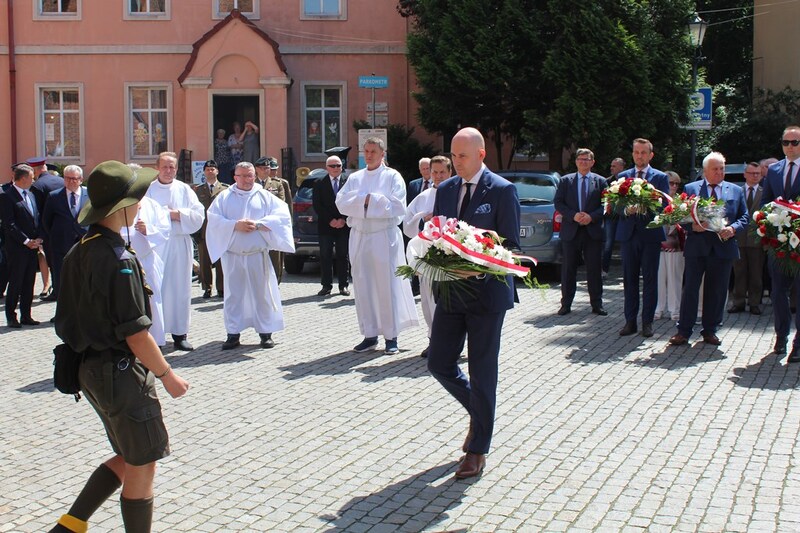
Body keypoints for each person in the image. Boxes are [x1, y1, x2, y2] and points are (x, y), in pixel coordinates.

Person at [50, 160, 189, 533]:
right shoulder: (119, 259)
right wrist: (168, 375)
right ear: (120, 208)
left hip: (90, 371)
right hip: (121, 374)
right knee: (143, 462)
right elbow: (136, 334)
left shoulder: (80, 248)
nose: (141, 203)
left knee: (128, 455)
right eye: (137, 198)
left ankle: (70, 524)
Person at [426, 127, 520, 480]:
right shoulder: (446, 189)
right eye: (452, 155)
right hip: (451, 292)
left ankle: (478, 449)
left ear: (481, 154)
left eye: (462, 156)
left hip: (487, 295)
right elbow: (439, 232)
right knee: (439, 363)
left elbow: (509, 244)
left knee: (483, 372)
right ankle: (481, 414)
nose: (456, 162)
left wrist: (477, 264)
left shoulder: (502, 190)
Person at [335, 137, 418, 355]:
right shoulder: (355, 177)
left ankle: (391, 336)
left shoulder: (392, 176)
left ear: (383, 154)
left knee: (386, 284)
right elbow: (341, 203)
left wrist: (365, 200)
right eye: (366, 151)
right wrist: (372, 200)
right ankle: (369, 334)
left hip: (383, 235)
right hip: (360, 235)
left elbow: (398, 205)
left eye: (373, 151)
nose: (369, 155)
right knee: (362, 284)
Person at [206, 162, 295, 350]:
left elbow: (282, 216)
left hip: (257, 255)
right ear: (235, 177)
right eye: (242, 176)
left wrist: (260, 224)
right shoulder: (224, 197)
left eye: (250, 176)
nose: (247, 180)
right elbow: (213, 219)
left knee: (261, 293)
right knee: (233, 295)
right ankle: (233, 333)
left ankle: (265, 333)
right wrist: (233, 225)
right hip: (233, 255)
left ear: (255, 176)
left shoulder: (264, 195)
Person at [669, 152, 748, 346]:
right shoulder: (691, 188)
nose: (720, 172)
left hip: (723, 248)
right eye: (715, 169)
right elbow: (680, 216)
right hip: (697, 247)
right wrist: (691, 227)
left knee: (718, 291)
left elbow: (745, 217)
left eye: (722, 168)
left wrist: (733, 228)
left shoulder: (736, 191)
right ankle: (684, 330)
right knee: (690, 290)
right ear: (705, 171)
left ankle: (710, 330)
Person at [145, 152, 205, 351]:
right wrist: (164, 218)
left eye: (172, 167)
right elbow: (142, 216)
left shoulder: (185, 190)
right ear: (157, 168)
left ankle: (180, 334)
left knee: (180, 288)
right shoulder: (149, 191)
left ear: (177, 169)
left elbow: (198, 214)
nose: (169, 171)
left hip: (180, 244)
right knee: (158, 288)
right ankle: (157, 334)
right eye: (165, 167)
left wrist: (176, 213)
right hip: (157, 245)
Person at [615, 138, 670, 338]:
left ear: (651, 155)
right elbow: (613, 204)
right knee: (629, 280)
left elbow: (664, 206)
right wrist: (625, 209)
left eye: (643, 152)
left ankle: (647, 322)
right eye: (636, 152)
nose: (639, 156)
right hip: (629, 235)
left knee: (649, 279)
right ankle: (630, 321)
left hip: (650, 235)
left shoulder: (660, 177)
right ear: (632, 154)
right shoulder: (622, 176)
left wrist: (645, 207)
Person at [403, 155, 452, 357]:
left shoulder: (456, 193)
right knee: (428, 299)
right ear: (429, 173)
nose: (438, 176)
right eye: (435, 172)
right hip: (428, 255)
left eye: (442, 172)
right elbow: (407, 223)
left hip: (451, 256)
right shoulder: (423, 196)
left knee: (449, 301)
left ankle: (452, 342)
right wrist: (422, 219)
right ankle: (433, 338)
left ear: (450, 172)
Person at [761, 125, 800, 360]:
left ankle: (799, 343)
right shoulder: (774, 170)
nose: (790, 147)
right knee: (777, 293)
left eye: (794, 142)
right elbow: (765, 201)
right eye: (786, 142)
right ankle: (781, 335)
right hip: (778, 243)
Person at [553, 148, 608, 316]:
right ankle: (566, 304)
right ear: (576, 162)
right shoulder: (565, 181)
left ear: (592, 162)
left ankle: (597, 304)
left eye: (587, 159)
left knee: (594, 269)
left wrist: (591, 217)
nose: (583, 162)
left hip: (592, 231)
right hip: (571, 230)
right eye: (580, 159)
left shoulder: (600, 181)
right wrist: (573, 215)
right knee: (568, 269)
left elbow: (606, 204)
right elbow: (558, 203)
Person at [0, 164, 43, 327]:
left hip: (32, 247)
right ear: (24, 178)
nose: (34, 180)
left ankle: (26, 315)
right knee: (16, 281)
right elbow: (9, 224)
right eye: (32, 177)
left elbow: (35, 218)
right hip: (17, 247)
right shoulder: (7, 196)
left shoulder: (31, 195)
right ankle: (11, 316)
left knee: (29, 282)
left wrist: (38, 238)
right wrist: (26, 241)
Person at [41, 165, 88, 302]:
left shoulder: (89, 195)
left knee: (82, 278)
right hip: (61, 245)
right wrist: (57, 236)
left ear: (81, 179)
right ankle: (61, 314)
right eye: (68, 178)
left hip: (83, 244)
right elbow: (46, 221)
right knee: (61, 280)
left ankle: (82, 313)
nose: (71, 181)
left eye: (74, 178)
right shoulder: (54, 196)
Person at [729, 162, 765, 315]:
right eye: (751, 173)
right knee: (739, 272)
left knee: (756, 274)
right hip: (739, 238)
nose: (754, 176)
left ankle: (754, 303)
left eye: (757, 173)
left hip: (757, 240)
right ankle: (738, 302)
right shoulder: (736, 192)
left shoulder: (765, 192)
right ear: (745, 174)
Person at [313, 155, 350, 296]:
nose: (336, 168)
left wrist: (343, 219)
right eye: (332, 166)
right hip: (326, 226)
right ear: (327, 167)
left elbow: (352, 202)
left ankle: (343, 286)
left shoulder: (349, 182)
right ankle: (326, 286)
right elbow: (317, 205)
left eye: (338, 165)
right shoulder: (319, 182)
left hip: (343, 225)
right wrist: (330, 220)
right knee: (325, 255)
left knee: (343, 255)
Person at [29, 156, 64, 299]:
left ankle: (56, 291)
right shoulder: (61, 181)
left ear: (34, 170)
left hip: (49, 229)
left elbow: (37, 211)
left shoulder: (37, 186)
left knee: (54, 262)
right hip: (65, 227)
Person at [193, 160, 228, 299]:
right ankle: (207, 288)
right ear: (204, 172)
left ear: (217, 171)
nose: (210, 171)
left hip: (220, 231)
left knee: (221, 261)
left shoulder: (225, 189)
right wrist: (196, 231)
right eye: (207, 169)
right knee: (205, 262)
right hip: (204, 231)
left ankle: (222, 288)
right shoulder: (199, 190)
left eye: (212, 169)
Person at [255, 156, 293, 283]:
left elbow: (282, 204)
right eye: (264, 168)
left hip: (272, 226)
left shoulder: (278, 184)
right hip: (256, 226)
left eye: (268, 168)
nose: (267, 170)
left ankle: (275, 282)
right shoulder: (251, 183)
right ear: (257, 169)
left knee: (275, 257)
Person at [654, 171, 685, 322]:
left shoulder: (680, 201)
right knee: (658, 278)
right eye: (670, 183)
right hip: (657, 243)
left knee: (675, 278)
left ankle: (675, 310)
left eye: (676, 184)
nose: (673, 186)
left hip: (676, 244)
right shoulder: (656, 199)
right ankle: (658, 308)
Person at [602, 157, 625, 275]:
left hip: (625, 217)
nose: (611, 168)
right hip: (611, 217)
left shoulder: (628, 181)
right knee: (608, 243)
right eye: (611, 166)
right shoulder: (607, 181)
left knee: (626, 242)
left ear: (622, 167)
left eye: (614, 166)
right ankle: (604, 270)